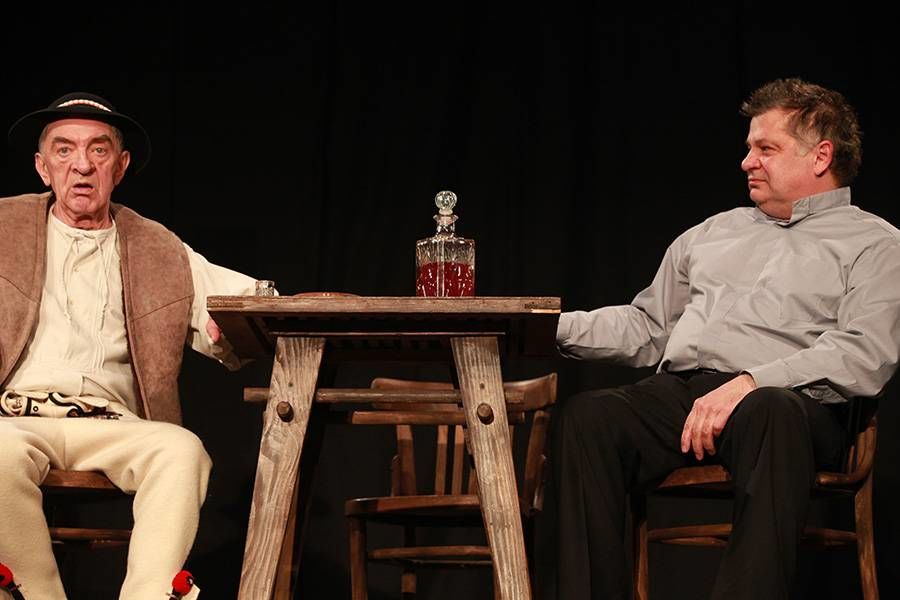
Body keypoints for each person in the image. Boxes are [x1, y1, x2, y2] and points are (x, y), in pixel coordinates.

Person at [551, 77, 900, 599]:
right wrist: (544, 326)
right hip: (687, 395)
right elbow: (648, 327)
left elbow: (865, 352)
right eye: (749, 148)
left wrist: (752, 381)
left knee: (771, 411)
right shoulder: (712, 233)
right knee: (590, 418)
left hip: (794, 405)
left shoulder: (876, 243)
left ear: (821, 156)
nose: (747, 161)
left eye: (765, 148)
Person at [0, 92, 260, 599]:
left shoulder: (156, 246)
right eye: (63, 150)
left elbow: (244, 300)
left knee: (181, 451)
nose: (81, 165)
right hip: (14, 418)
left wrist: (244, 320)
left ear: (119, 167)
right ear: (42, 167)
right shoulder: (3, 228)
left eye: (98, 150)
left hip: (115, 423)